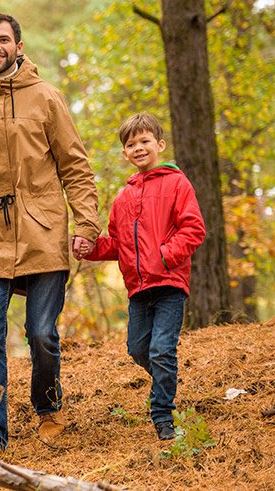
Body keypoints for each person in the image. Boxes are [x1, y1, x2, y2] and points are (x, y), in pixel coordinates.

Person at [0, 13, 100, 460]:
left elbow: (75, 167)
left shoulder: (47, 98)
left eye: (3, 39)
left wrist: (86, 224)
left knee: (42, 332)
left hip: (43, 230)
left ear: (19, 46)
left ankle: (48, 408)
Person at [81, 112, 206, 440]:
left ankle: (163, 414)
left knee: (161, 349)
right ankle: (168, 379)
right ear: (124, 153)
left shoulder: (176, 182)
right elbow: (117, 243)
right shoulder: (122, 198)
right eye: (130, 144)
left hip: (168, 284)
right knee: (139, 350)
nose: (138, 148)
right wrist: (89, 248)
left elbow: (193, 229)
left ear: (159, 145)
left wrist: (165, 255)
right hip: (138, 288)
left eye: (145, 141)